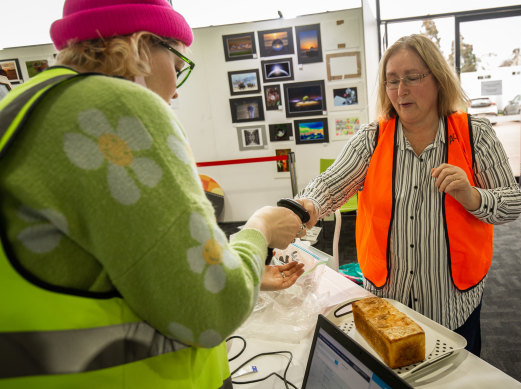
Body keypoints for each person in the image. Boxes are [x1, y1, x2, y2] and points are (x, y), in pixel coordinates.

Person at [0, 1, 305, 388]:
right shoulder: (117, 106)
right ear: (141, 44)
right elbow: (210, 309)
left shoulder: (19, 106)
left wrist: (247, 275)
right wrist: (259, 228)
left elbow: (104, 267)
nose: (176, 90)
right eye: (178, 66)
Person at [296, 34, 521, 356]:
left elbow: (512, 204)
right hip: (388, 304)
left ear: (438, 79)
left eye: (412, 78)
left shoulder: (476, 135)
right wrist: (302, 207)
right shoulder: (372, 139)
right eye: (392, 81)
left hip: (453, 305)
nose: (400, 90)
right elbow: (331, 184)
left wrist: (472, 197)